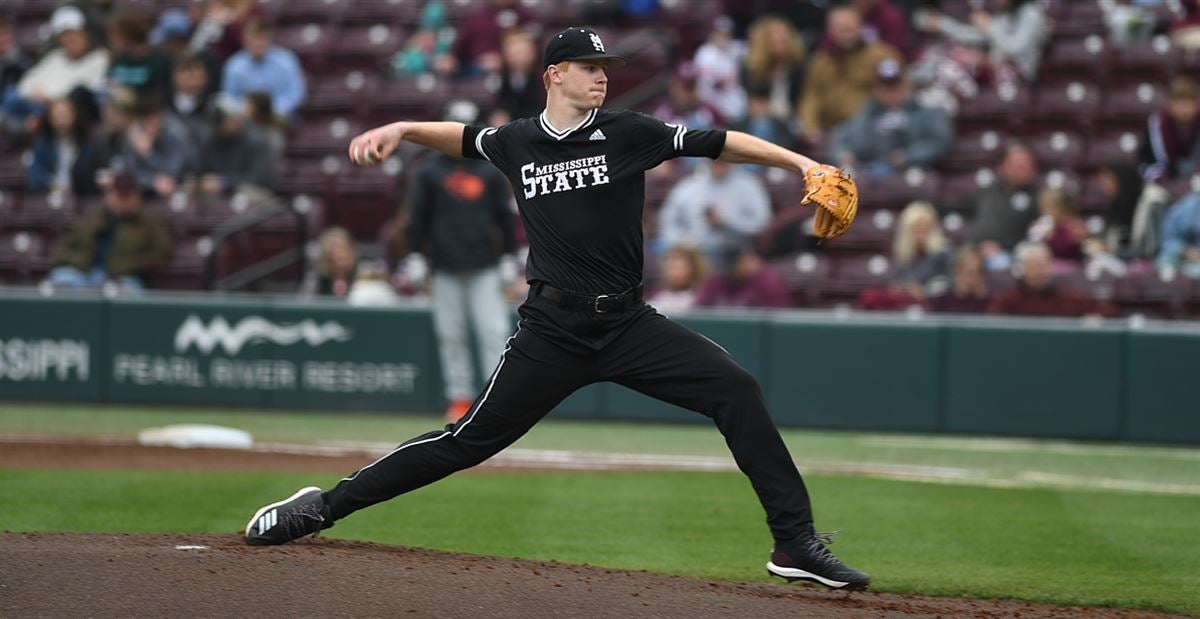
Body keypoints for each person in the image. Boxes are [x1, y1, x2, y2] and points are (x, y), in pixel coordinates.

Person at [244, 25, 870, 591]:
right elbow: (464, 138)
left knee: (736, 389)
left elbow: (720, 141)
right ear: (554, 75)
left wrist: (802, 162)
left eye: (606, 65)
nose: (602, 74)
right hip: (552, 330)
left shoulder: (629, 132)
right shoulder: (518, 142)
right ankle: (323, 506)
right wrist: (403, 129)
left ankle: (794, 542)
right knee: (466, 441)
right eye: (588, 64)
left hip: (627, 323)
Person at [405, 100, 518, 422]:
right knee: (451, 335)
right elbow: (418, 218)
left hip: (484, 264)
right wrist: (414, 254)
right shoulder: (428, 171)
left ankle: (497, 397)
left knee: (493, 333)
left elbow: (504, 220)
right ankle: (460, 397)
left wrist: (509, 256)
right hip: (444, 266)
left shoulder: (490, 170)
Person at [46, 169, 172, 292]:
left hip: (123, 277)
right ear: (110, 195)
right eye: (118, 195)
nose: (122, 201)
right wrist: (82, 261)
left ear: (136, 196)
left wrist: (128, 264)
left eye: (126, 196)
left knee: (127, 290)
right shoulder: (93, 219)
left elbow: (162, 253)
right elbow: (62, 249)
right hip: (85, 274)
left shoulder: (148, 224)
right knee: (60, 280)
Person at [829, 58, 951, 178]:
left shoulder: (924, 111)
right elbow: (841, 137)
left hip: (911, 172)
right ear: (876, 89)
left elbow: (938, 141)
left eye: (895, 87)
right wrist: (844, 154)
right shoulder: (867, 113)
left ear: (906, 85)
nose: (890, 93)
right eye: (884, 88)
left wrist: (908, 156)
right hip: (869, 172)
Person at [797, 5, 901, 145]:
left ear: (860, 27)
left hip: (869, 131)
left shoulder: (882, 56)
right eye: (840, 28)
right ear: (830, 31)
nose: (845, 32)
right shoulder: (821, 61)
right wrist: (810, 126)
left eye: (849, 27)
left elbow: (896, 93)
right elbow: (811, 96)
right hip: (829, 130)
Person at [4, 6, 108, 135]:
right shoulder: (55, 57)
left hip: (69, 114)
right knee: (10, 95)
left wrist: (48, 96)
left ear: (84, 34)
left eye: (74, 34)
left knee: (56, 110)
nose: (70, 40)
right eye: (65, 36)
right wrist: (38, 94)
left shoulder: (99, 58)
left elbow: (81, 92)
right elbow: (25, 85)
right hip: (37, 104)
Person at [657, 159, 772, 261]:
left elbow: (763, 223)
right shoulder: (688, 186)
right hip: (695, 256)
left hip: (736, 254)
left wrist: (727, 222)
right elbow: (667, 221)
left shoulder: (749, 186)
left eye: (723, 158)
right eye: (714, 158)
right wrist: (681, 243)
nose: (718, 163)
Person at [960, 141, 1041, 271]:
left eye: (1025, 164)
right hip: (974, 250)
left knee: (999, 264)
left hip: (1012, 256)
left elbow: (1037, 235)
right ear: (1002, 167)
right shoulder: (988, 191)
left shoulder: (1040, 197)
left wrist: (1001, 248)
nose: (1022, 168)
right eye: (1016, 164)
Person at [858, 200, 951, 309]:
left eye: (926, 227)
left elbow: (947, 283)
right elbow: (896, 281)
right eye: (917, 227)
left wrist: (924, 291)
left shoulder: (943, 253)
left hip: (931, 305)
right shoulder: (902, 254)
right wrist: (903, 289)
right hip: (904, 303)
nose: (921, 232)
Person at [989, 242, 1111, 317]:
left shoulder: (1066, 296)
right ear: (1022, 269)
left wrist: (1094, 318)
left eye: (1042, 266)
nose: (1038, 272)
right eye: (1033, 267)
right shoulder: (1009, 299)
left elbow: (1103, 310)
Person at [220, 20, 306, 121]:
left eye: (261, 38)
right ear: (245, 40)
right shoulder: (234, 66)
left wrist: (274, 110)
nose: (258, 43)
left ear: (269, 39)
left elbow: (296, 93)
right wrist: (246, 110)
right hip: (245, 119)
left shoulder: (286, 61)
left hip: (279, 117)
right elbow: (229, 97)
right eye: (254, 39)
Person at [740, 15, 806, 122]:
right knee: (762, 123)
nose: (780, 45)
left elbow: (804, 101)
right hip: (763, 120)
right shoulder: (752, 68)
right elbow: (755, 104)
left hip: (793, 121)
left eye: (783, 40)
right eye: (774, 41)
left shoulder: (798, 67)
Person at [26, 96, 95, 194]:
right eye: (57, 116)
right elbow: (34, 175)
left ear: (74, 116)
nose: (61, 121)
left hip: (81, 195)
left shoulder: (86, 142)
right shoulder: (43, 144)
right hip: (50, 195)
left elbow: (92, 174)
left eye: (64, 115)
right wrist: (52, 183)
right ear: (50, 119)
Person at [1139, 76, 1200, 182]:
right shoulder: (1157, 125)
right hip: (1165, 184)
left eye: (1189, 103)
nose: (1185, 109)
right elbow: (1146, 163)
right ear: (1170, 104)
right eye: (1180, 104)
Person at [695, 245, 792, 309]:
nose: (730, 274)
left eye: (734, 267)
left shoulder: (768, 282)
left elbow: (778, 318)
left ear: (747, 260)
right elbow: (699, 309)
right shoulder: (717, 278)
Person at [106, 9, 172, 100]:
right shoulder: (116, 60)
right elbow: (108, 88)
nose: (112, 42)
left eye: (115, 37)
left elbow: (161, 96)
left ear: (127, 36)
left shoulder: (159, 61)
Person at [693, 15, 748, 122]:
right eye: (719, 33)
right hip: (712, 112)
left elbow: (754, 47)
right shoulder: (705, 54)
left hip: (737, 109)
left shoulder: (734, 48)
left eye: (726, 34)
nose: (722, 37)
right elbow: (708, 85)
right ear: (711, 34)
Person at [1027, 187, 1087, 263]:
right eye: (1043, 207)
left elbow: (1068, 252)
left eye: (1049, 206)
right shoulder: (1043, 224)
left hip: (1070, 265)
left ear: (1061, 207)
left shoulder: (1074, 225)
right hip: (1047, 265)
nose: (1045, 211)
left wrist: (1050, 238)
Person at [926, 245, 990, 313]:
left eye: (978, 273)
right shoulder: (941, 303)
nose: (972, 279)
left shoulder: (989, 304)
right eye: (968, 273)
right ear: (956, 273)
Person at [496, 31, 543, 121]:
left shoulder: (542, 78)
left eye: (524, 52)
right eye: (516, 52)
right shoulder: (500, 77)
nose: (520, 57)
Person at [647, 245, 708, 314]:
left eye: (682, 268)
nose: (676, 273)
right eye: (672, 267)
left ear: (693, 269)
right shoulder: (654, 295)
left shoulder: (703, 298)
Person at [1156, 191, 1200, 279]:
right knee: (1166, 262)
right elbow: (1168, 240)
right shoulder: (1188, 207)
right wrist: (1186, 251)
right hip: (1187, 260)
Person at [306, 227, 359, 297]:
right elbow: (306, 303)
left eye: (345, 252)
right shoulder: (316, 279)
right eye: (336, 254)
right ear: (326, 258)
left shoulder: (361, 276)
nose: (341, 256)